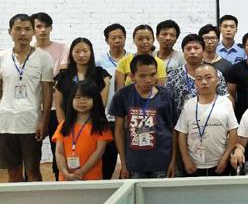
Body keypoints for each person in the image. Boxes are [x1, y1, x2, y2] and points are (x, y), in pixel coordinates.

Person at [0, 14, 54, 182]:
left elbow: (47, 91)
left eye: (27, 29)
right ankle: (16, 200)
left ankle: (36, 200)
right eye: (18, 29)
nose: (23, 33)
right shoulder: (2, 57)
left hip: (31, 123)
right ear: (10, 32)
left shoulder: (44, 57)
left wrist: (44, 121)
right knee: (13, 172)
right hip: (6, 123)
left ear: (32, 32)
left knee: (33, 171)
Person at [110, 54, 177, 179]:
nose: (148, 80)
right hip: (134, 162)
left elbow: (173, 129)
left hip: (162, 161)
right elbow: (118, 130)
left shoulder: (166, 95)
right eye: (142, 76)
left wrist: (173, 161)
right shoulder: (122, 95)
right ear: (132, 76)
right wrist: (123, 163)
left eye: (152, 74)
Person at [175, 64, 238, 176]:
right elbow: (182, 133)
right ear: (195, 82)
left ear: (217, 80)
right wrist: (186, 159)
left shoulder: (226, 103)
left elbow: (233, 132)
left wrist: (226, 157)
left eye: (208, 77)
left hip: (219, 163)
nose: (204, 82)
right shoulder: (189, 104)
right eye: (199, 79)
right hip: (193, 164)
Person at [30, 11, 68, 180]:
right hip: (33, 109)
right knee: (31, 155)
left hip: (56, 109)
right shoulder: (28, 51)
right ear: (33, 29)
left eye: (46, 26)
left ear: (51, 28)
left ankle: (60, 183)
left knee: (58, 150)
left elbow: (62, 77)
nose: (43, 30)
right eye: (38, 26)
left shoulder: (62, 48)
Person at [52, 80, 113, 181]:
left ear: (96, 100)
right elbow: (59, 152)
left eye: (87, 97)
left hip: (91, 178)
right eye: (78, 97)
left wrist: (82, 171)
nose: (82, 101)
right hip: (66, 178)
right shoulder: (64, 125)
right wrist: (64, 173)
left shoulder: (101, 126)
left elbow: (99, 151)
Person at [166, 34, 228, 116]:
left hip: (210, 120)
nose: (192, 52)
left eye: (196, 48)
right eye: (188, 49)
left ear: (203, 50)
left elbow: (224, 100)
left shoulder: (216, 74)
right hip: (181, 122)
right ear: (183, 51)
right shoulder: (173, 76)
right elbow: (167, 103)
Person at [95, 23, 127, 179]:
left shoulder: (132, 59)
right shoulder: (99, 61)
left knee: (128, 159)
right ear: (107, 40)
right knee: (107, 160)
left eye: (120, 37)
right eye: (113, 38)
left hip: (127, 117)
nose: (117, 41)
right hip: (107, 117)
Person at [54, 38, 111, 123]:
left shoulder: (101, 75)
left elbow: (101, 105)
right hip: (68, 124)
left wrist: (88, 126)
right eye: (77, 51)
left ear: (91, 52)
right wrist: (63, 126)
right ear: (71, 53)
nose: (81, 55)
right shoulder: (63, 76)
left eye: (85, 51)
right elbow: (59, 105)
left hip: (94, 124)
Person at [115, 24, 167, 90]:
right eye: (140, 39)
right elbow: (120, 90)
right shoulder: (124, 61)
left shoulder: (160, 63)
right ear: (134, 40)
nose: (145, 42)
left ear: (153, 40)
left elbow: (161, 91)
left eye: (148, 39)